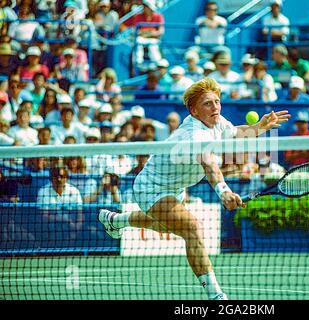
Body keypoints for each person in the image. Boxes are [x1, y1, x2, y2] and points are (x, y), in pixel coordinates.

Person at [98, 77, 290, 300]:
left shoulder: (216, 120)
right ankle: (216, 296)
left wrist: (259, 127)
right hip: (152, 187)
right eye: (208, 103)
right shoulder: (194, 134)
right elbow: (208, 162)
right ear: (194, 110)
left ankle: (115, 220)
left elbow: (235, 132)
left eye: (217, 101)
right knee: (192, 228)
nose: (215, 107)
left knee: (163, 226)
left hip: (175, 186)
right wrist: (224, 191)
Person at [120, 0, 164, 64]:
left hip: (153, 39)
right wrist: (151, 32)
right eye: (145, 6)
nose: (145, 8)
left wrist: (146, 33)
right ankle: (138, 63)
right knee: (138, 42)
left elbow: (160, 32)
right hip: (142, 39)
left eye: (147, 6)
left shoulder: (158, 16)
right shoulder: (138, 16)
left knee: (153, 46)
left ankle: (156, 64)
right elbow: (136, 32)